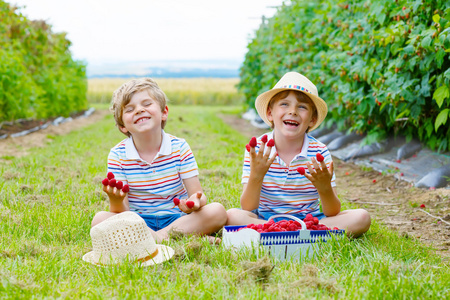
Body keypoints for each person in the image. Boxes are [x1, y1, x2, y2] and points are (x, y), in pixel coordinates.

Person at [226, 72, 371, 237]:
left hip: (310, 220)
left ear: (312, 120)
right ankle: (301, 234)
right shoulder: (259, 149)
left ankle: (280, 233)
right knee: (232, 216)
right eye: (284, 104)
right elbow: (247, 206)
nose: (293, 111)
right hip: (267, 218)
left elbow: (332, 212)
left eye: (302, 107)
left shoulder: (319, 152)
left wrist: (325, 188)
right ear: (269, 113)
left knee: (361, 217)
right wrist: (256, 176)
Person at [91, 78, 227, 243]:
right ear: (122, 126)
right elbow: (122, 213)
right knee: (99, 220)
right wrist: (116, 199)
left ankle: (154, 239)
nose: (139, 110)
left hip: (178, 219)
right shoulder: (118, 155)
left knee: (217, 211)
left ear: (164, 112)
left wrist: (194, 203)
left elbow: (198, 195)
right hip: (138, 223)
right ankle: (176, 239)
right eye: (129, 109)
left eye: (147, 104)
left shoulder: (179, 147)